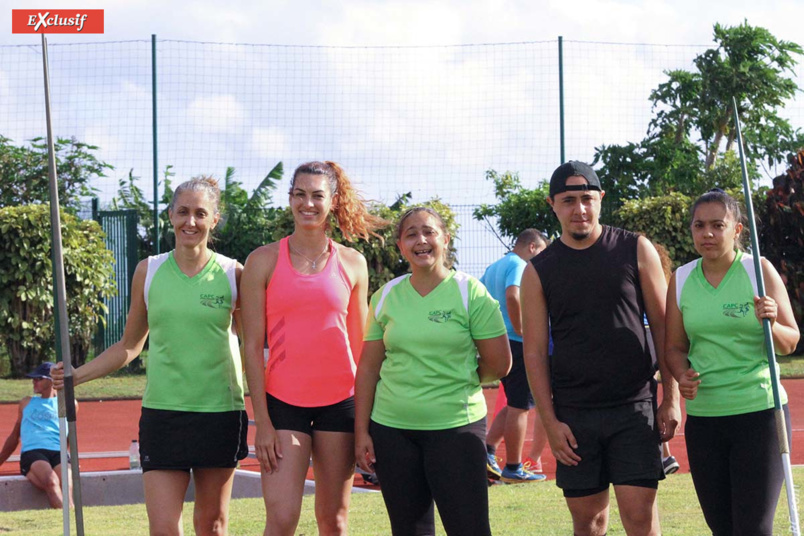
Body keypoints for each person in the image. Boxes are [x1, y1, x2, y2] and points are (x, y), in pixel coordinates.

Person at [53, 176, 248, 536]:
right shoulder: (150, 270)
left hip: (220, 414)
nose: (191, 221)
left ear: (214, 219)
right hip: (163, 414)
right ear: (170, 215)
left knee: (213, 525)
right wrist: (76, 376)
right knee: (162, 528)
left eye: (200, 213)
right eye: (183, 212)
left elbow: (253, 345)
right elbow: (129, 345)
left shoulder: (233, 273)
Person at [521, 161, 680, 536]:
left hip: (633, 407)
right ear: (553, 205)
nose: (580, 209)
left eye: (587, 199)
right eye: (569, 200)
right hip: (575, 414)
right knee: (589, 522)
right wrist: (550, 421)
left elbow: (663, 328)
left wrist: (671, 398)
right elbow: (534, 352)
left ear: (601, 199)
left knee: (640, 517)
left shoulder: (635, 248)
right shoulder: (538, 270)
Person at [241, 161, 382, 535]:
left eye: (317, 195)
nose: (308, 203)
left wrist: (365, 422)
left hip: (340, 405)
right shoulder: (262, 260)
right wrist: (263, 423)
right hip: (283, 406)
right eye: (299, 194)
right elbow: (253, 346)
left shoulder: (353, 263)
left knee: (333, 521)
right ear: (289, 199)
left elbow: (362, 348)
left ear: (333, 201)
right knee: (283, 518)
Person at [355, 206, 512, 536]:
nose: (421, 240)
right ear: (400, 246)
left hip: (457, 430)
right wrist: (361, 432)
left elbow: (499, 363)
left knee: (469, 528)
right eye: (411, 234)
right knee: (409, 530)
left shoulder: (471, 293)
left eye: (428, 232)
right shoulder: (385, 297)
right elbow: (369, 368)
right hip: (392, 431)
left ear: (445, 239)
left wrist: (458, 377)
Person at [666, 188, 800, 535]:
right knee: (722, 528)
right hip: (705, 421)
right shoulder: (681, 279)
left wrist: (770, 323)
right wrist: (682, 374)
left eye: (717, 225)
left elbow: (790, 343)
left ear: (737, 230)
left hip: (760, 414)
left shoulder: (759, 271)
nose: (707, 233)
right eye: (699, 225)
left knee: (753, 528)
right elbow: (674, 348)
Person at [481, 229, 549, 483]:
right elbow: (512, 294)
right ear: (532, 247)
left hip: (499, 342)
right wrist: (522, 329)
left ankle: (487, 448)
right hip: (518, 343)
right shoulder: (520, 265)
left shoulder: (494, 267)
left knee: (513, 402)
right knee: (521, 406)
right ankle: (513, 467)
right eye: (541, 251)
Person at [0, 362, 74, 508]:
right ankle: (69, 526)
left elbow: (69, 435)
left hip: (58, 452)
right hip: (33, 452)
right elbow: (15, 436)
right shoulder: (27, 403)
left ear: (51, 380)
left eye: (38, 378)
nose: (34, 381)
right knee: (51, 482)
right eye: (33, 378)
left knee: (67, 486)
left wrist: (69, 457)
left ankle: (71, 526)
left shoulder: (65, 403)